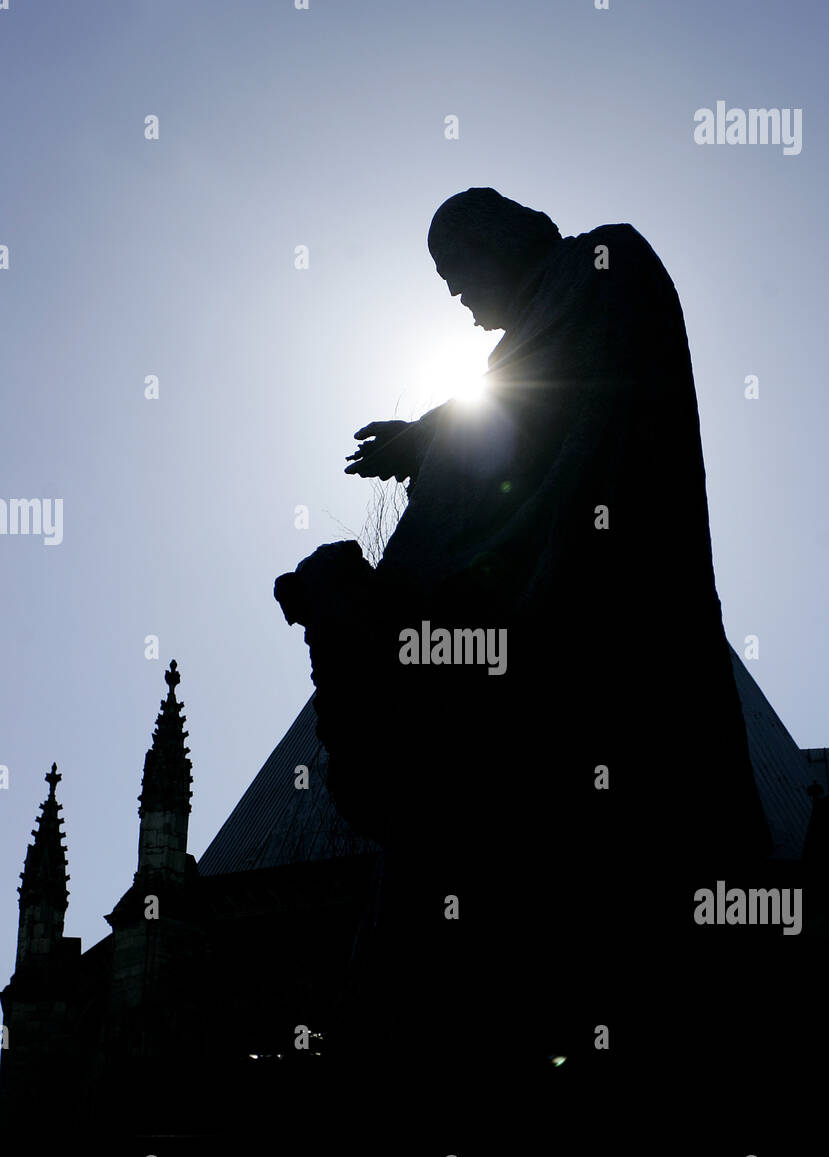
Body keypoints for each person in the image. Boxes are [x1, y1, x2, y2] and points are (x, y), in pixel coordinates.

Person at [275, 188, 770, 1077]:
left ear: (503, 233)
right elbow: (512, 397)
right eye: (446, 286)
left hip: (599, 603)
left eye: (459, 274)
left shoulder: (602, 265)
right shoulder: (542, 317)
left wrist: (448, 459)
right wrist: (425, 440)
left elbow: (561, 400)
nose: (461, 302)